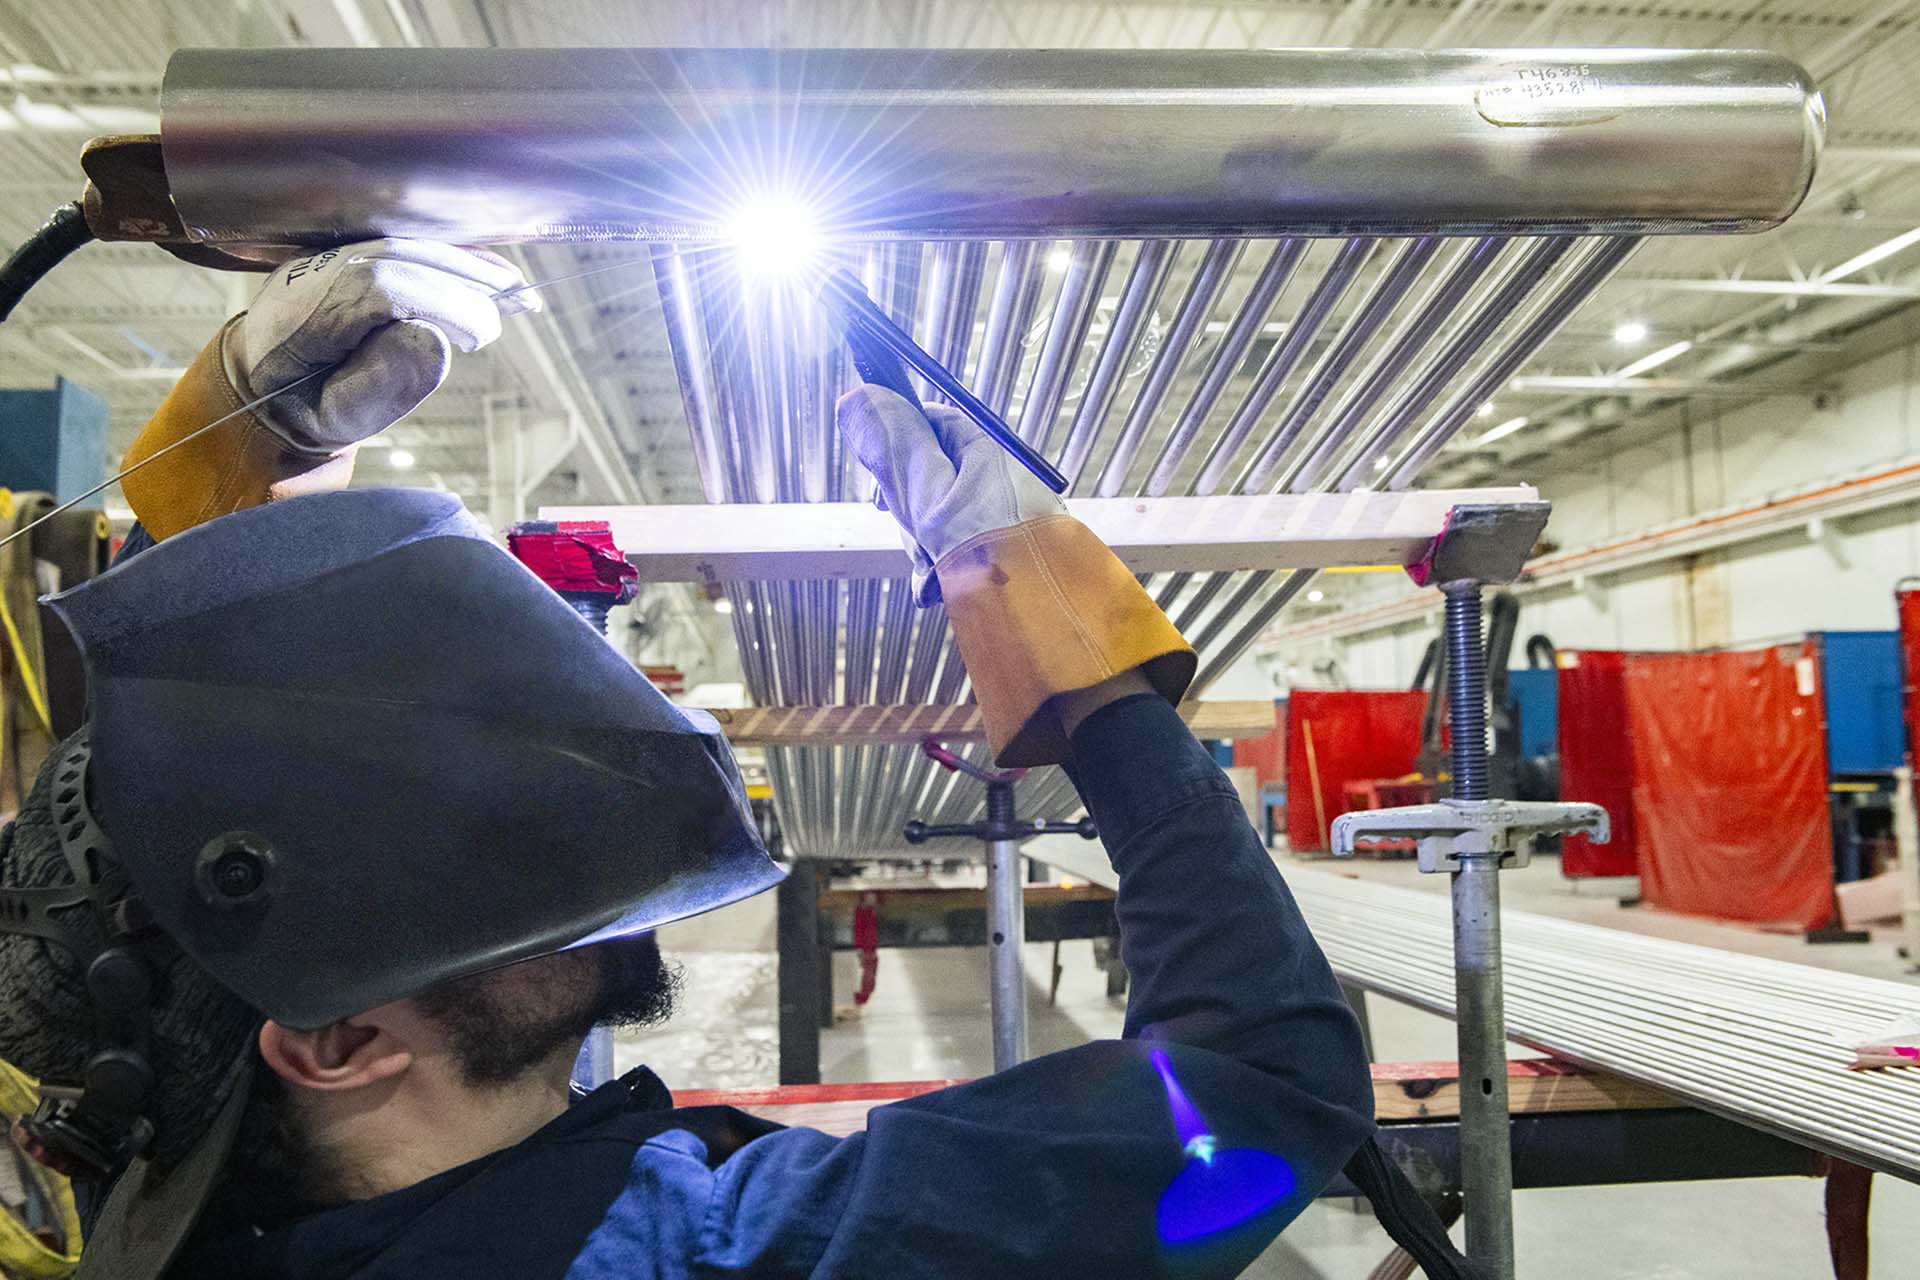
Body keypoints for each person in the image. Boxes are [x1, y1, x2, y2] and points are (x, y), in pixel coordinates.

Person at [0, 239, 1377, 1279]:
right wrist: (1085, 671)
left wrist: (237, 481)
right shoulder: (705, 1257)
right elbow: (1262, 1085)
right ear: (340, 1043)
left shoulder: (268, 1212)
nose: (558, 872)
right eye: (475, 885)